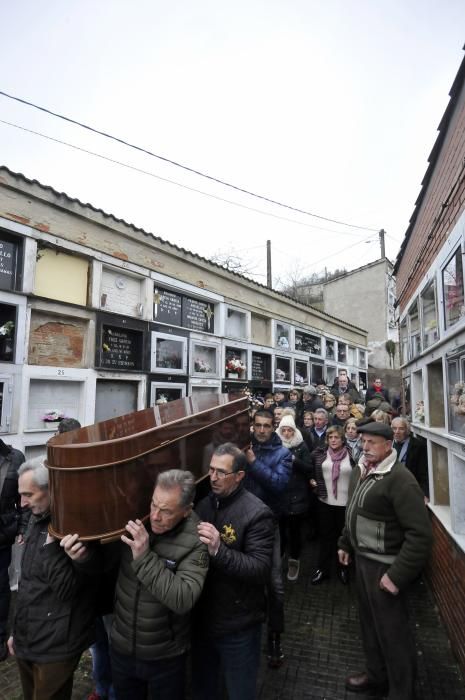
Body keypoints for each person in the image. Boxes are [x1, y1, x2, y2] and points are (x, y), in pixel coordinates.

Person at [338, 422, 432, 698]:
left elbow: (420, 536)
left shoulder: (401, 479)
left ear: (389, 445)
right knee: (369, 626)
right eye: (363, 441)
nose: (365, 448)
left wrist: (397, 576)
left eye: (372, 443)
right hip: (363, 562)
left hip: (387, 566)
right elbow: (352, 508)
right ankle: (377, 677)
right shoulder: (362, 470)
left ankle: (402, 691)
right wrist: (345, 542)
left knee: (394, 634)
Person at [8, 457, 97, 699]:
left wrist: (53, 551)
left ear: (51, 490)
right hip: (29, 637)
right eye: (20, 495)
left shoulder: (73, 526)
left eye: (28, 495)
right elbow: (29, 584)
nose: (22, 503)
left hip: (57, 644)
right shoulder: (36, 519)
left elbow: (67, 590)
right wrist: (17, 632)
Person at [192, 443, 275, 700]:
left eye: (221, 472)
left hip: (238, 625)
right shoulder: (205, 504)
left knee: (240, 690)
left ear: (239, 476)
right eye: (211, 470)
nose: (213, 477)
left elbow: (260, 569)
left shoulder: (257, 514)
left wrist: (219, 550)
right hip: (204, 619)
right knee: (203, 688)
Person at [245, 409, 292, 668]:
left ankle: (275, 636)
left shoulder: (283, 454)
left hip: (268, 525)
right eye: (257, 426)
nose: (261, 430)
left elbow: (279, 484)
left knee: (274, 583)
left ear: (273, 427)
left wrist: (252, 462)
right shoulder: (243, 447)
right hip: (243, 524)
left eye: (266, 426)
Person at [310, 425, 354, 585]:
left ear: (343, 439)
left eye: (336, 437)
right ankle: (323, 569)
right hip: (325, 502)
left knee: (343, 538)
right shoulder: (319, 453)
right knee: (326, 537)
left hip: (346, 504)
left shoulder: (351, 454)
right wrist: (312, 480)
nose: (333, 440)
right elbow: (309, 468)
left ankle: (343, 568)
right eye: (330, 438)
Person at [276, 415, 312, 581]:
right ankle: (281, 553)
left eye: (290, 430)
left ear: (294, 430)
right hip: (280, 494)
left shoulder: (301, 445)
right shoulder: (275, 445)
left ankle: (294, 560)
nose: (287, 433)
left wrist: (294, 460)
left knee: (295, 531)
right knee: (281, 529)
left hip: (297, 495)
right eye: (284, 430)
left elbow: (308, 468)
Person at [0, 440, 25, 662]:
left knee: (0, 587)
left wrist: (22, 527)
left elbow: (22, 499)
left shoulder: (15, 458)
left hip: (1, 536)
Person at [391, 417, 429, 498]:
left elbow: (423, 471)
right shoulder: (388, 443)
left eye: (401, 429)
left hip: (409, 487)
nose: (397, 432)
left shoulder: (418, 446)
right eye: (394, 428)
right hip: (391, 486)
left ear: (407, 430)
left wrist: (424, 493)